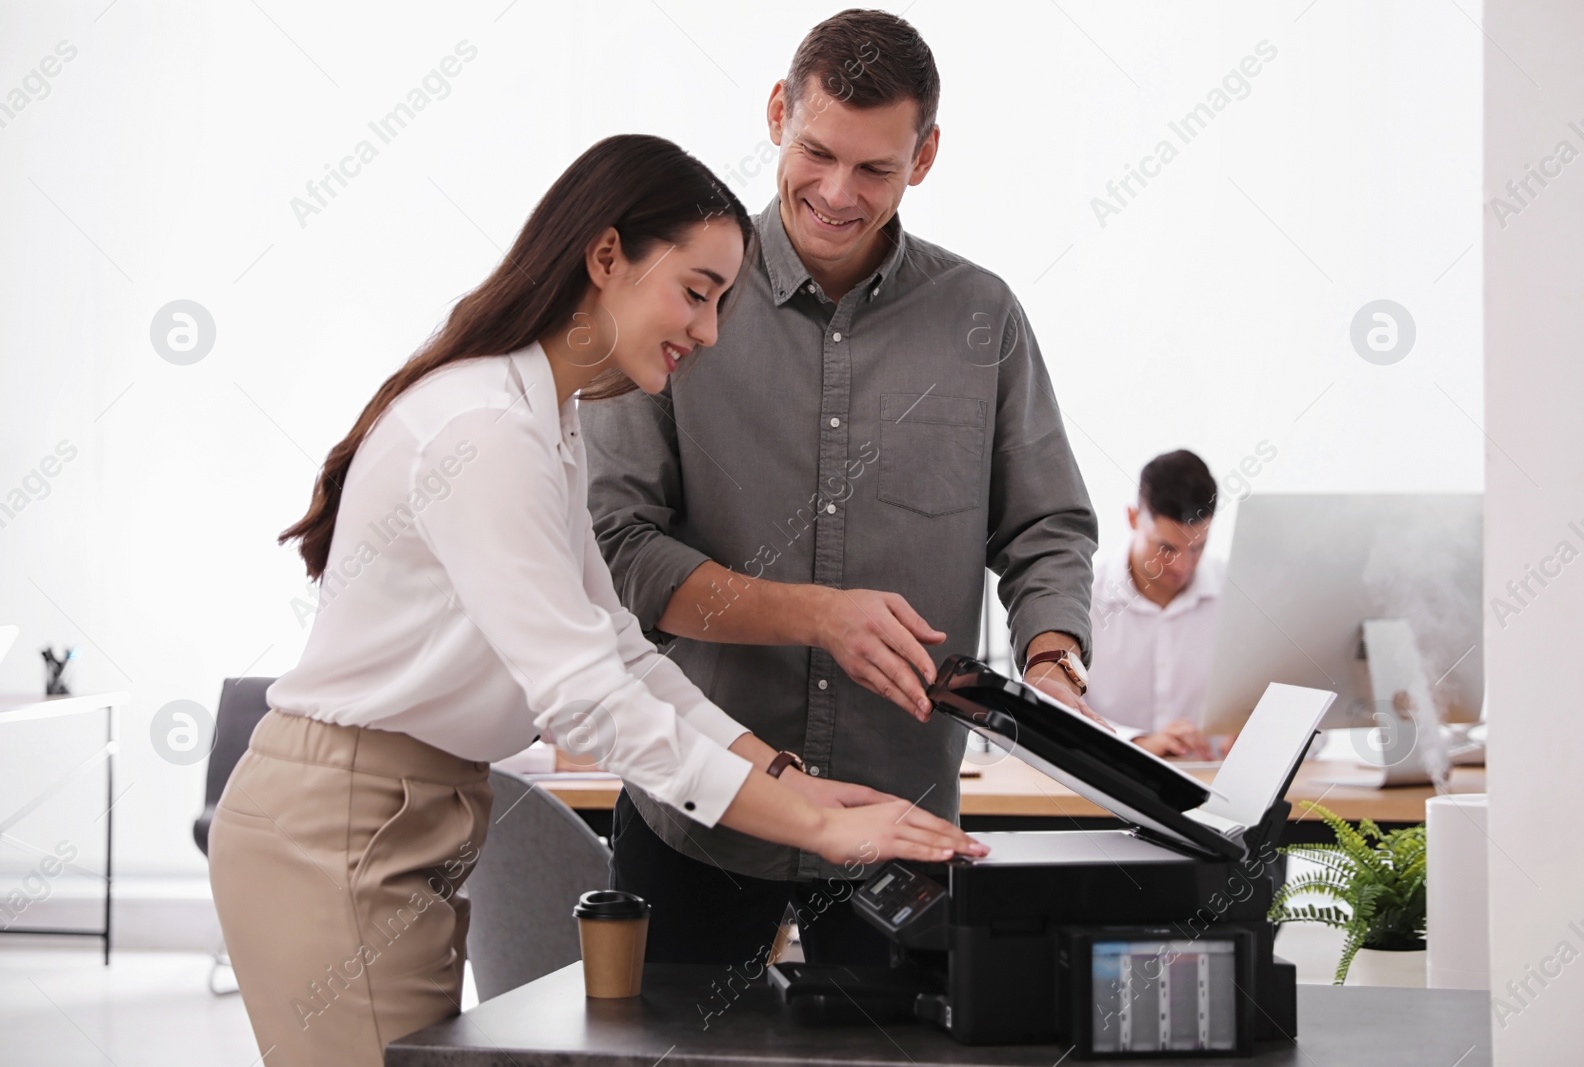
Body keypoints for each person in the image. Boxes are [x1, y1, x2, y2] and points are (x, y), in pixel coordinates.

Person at [207, 134, 983, 1067]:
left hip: (410, 811)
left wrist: (784, 777)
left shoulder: (549, 424)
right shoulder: (488, 429)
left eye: (723, 303)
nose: (709, 331)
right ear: (606, 256)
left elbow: (622, 649)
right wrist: (814, 824)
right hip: (342, 820)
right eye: (696, 292)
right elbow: (583, 697)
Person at [581, 11, 1097, 969]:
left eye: (876, 170)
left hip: (900, 823)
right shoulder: (675, 299)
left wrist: (1056, 655)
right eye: (816, 152)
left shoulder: (981, 318)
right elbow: (619, 549)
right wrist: (819, 614)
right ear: (778, 113)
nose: (837, 192)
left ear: (926, 155)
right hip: (701, 805)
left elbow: (1044, 524)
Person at [1085, 450, 1224, 759]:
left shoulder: (1240, 599)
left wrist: (1265, 736)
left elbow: (1309, 713)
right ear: (1133, 518)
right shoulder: (1081, 600)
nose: (1182, 566)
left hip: (1219, 789)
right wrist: (1134, 743)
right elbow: (1048, 711)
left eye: (1197, 548)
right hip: (1106, 786)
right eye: (1167, 548)